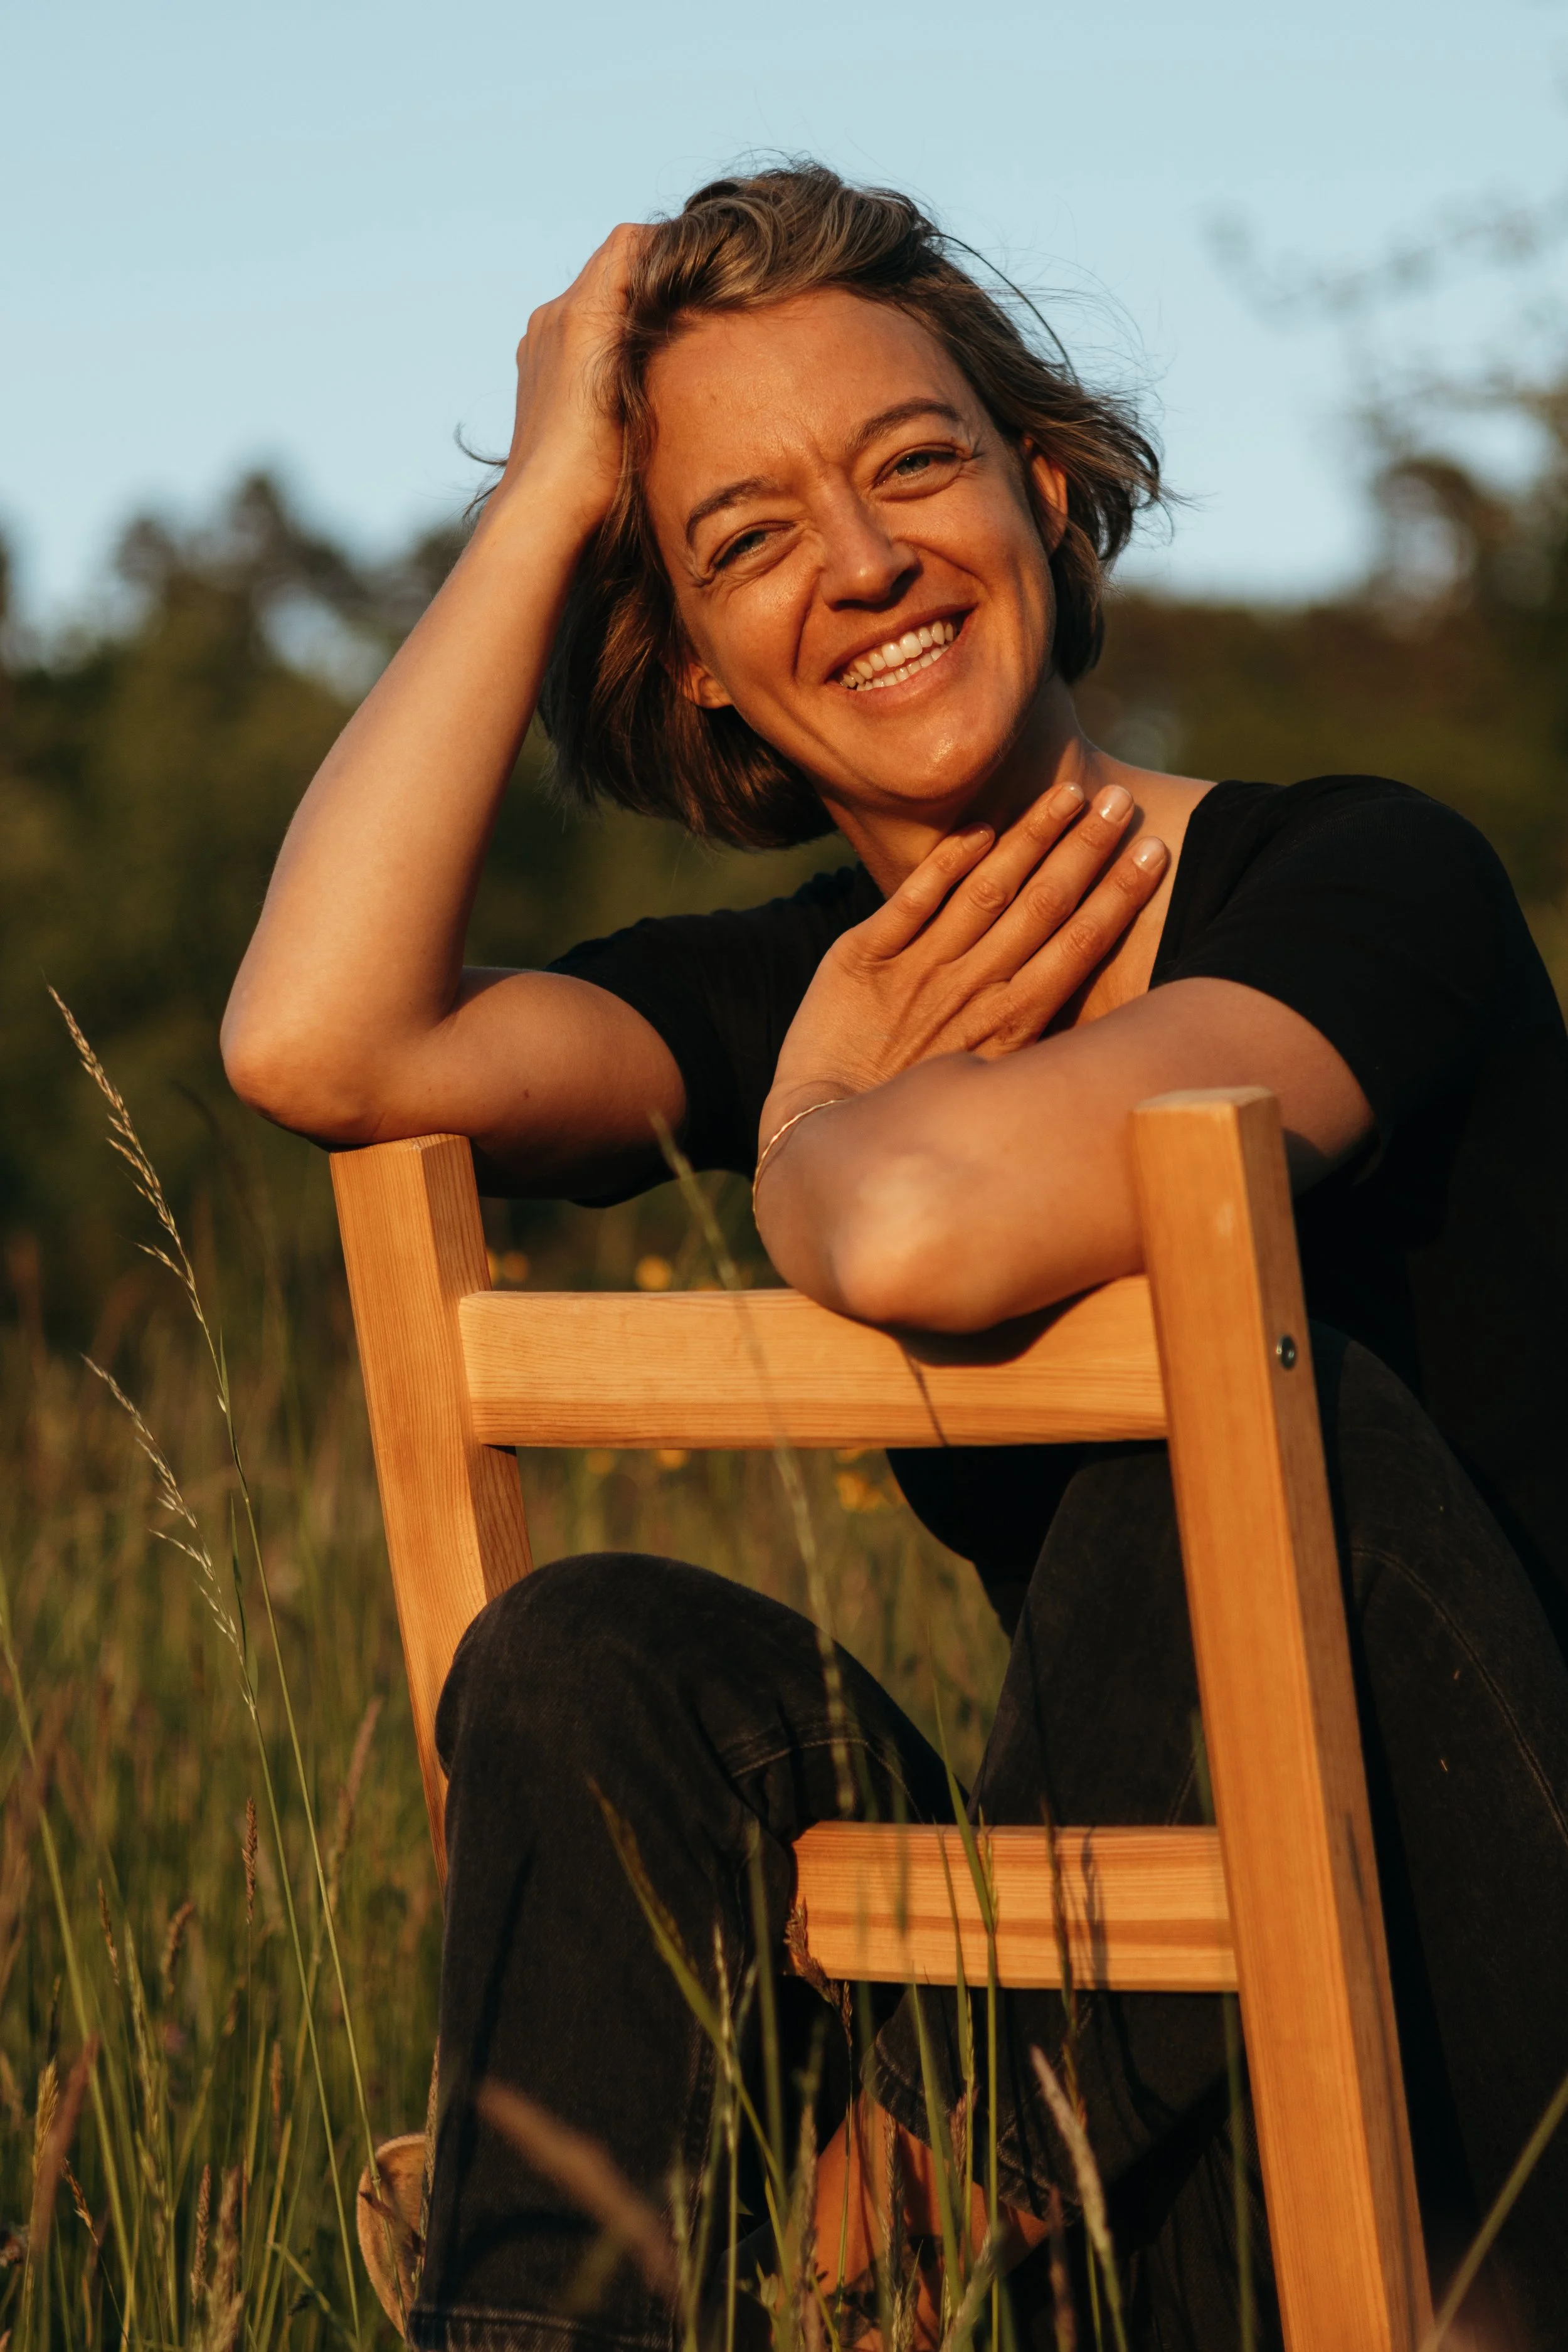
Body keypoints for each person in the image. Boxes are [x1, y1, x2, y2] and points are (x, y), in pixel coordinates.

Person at [222, 164, 1568, 2350]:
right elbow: (315, 1037)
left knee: (1193, 1445)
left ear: (1042, 492)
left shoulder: (1356, 880)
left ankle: (918, 2217)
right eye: (742, 540)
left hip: (1483, 2027)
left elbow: (930, 1215)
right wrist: (547, 495)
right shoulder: (787, 988)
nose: (856, 566)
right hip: (1176, 2051)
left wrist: (809, 1137)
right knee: (584, 1651)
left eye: (913, 463)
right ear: (701, 669)